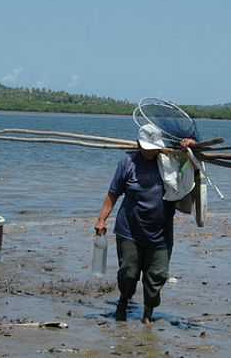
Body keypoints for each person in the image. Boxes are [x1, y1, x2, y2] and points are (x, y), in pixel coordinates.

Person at [94, 124, 196, 324]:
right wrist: (101, 219)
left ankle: (148, 314)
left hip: (161, 233)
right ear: (139, 144)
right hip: (129, 230)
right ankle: (123, 302)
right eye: (146, 148)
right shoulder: (128, 163)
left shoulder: (171, 162)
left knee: (157, 276)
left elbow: (193, 164)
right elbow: (113, 193)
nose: (150, 152)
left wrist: (191, 148)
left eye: (154, 148)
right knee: (128, 273)